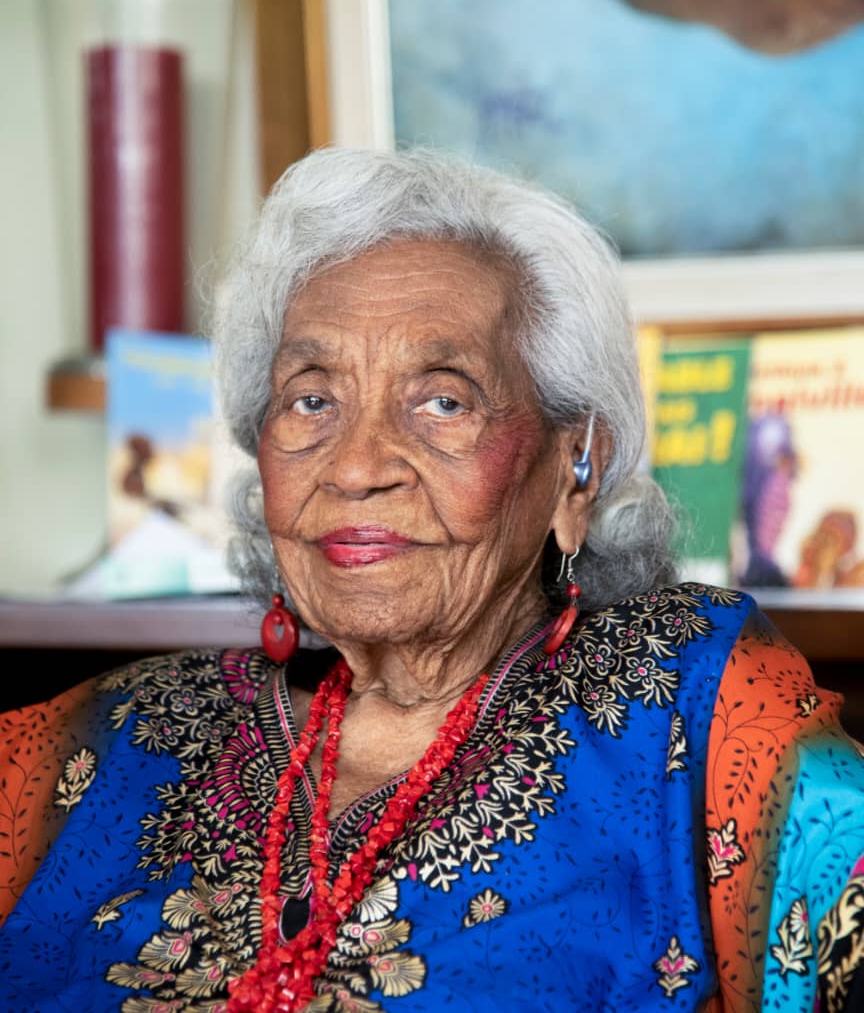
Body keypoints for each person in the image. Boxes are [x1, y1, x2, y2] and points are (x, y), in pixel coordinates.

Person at [1, 147, 863, 1012]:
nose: (358, 466)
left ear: (576, 467)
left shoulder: (690, 702)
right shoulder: (114, 735)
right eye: (312, 400)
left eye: (443, 401)